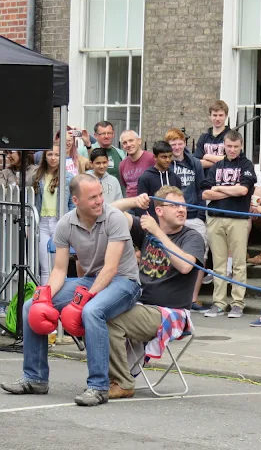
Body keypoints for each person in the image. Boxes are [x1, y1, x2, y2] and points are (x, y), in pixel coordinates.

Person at [1, 174, 141, 406]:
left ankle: (98, 386)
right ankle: (35, 378)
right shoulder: (65, 224)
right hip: (92, 279)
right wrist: (45, 295)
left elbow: (111, 268)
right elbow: (59, 270)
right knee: (30, 307)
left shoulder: (114, 218)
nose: (99, 201)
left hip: (124, 281)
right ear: (76, 201)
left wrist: (82, 300)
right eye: (92, 197)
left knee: (91, 311)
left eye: (100, 195)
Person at [107, 186, 204, 398]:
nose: (182, 210)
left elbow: (186, 266)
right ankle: (113, 376)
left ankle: (121, 380)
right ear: (159, 211)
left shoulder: (192, 236)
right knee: (96, 310)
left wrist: (157, 232)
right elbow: (110, 212)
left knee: (111, 318)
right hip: (141, 306)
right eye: (175, 206)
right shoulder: (146, 230)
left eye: (184, 206)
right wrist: (134, 202)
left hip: (173, 313)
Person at [200, 130, 257, 318]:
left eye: (235, 146)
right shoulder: (217, 166)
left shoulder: (246, 164)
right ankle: (218, 302)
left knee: (239, 262)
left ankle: (237, 303)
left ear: (241, 146)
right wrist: (225, 190)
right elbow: (205, 193)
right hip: (215, 217)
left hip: (237, 218)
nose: (232, 150)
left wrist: (218, 188)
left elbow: (243, 190)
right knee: (218, 263)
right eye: (229, 146)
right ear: (224, 145)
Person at [164, 127, 209, 312]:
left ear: (184, 143)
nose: (176, 146)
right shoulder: (166, 165)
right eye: (172, 143)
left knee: (199, 256)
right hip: (173, 216)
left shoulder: (195, 163)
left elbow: (201, 188)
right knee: (172, 255)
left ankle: (193, 298)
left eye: (179, 142)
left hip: (193, 214)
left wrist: (199, 213)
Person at [33, 144, 74, 282]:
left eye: (57, 155)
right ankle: (46, 299)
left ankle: (61, 298)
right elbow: (32, 201)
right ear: (44, 157)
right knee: (45, 268)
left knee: (60, 267)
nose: (53, 158)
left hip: (60, 222)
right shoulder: (38, 176)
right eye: (50, 154)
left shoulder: (68, 178)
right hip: (42, 222)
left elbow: (72, 204)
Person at [136, 141, 181, 220]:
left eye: (170, 156)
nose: (167, 160)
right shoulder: (145, 178)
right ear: (155, 157)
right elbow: (140, 206)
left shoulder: (176, 178)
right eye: (164, 157)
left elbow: (179, 202)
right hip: (152, 224)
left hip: (172, 223)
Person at [194, 100, 231, 170]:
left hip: (224, 179)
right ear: (210, 116)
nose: (217, 118)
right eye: (214, 115)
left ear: (226, 116)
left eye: (220, 115)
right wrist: (222, 160)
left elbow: (232, 160)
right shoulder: (204, 138)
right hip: (206, 179)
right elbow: (197, 163)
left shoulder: (232, 136)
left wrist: (207, 156)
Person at [119, 130, 156, 198]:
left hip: (147, 203)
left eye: (131, 140)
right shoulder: (122, 164)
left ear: (139, 141)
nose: (128, 145)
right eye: (125, 143)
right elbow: (125, 184)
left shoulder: (151, 159)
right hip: (130, 205)